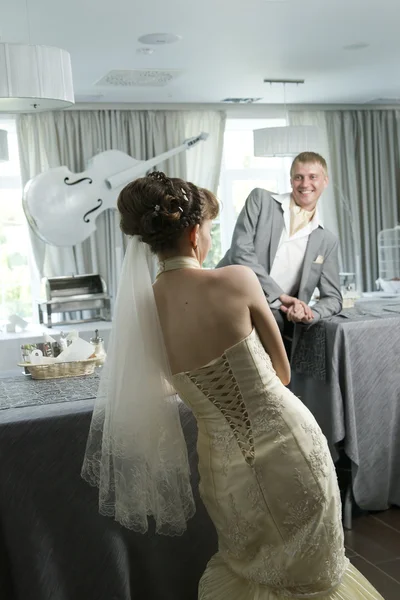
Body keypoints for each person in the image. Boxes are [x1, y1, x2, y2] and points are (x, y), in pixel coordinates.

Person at [82, 172, 382, 600]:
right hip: (289, 446)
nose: (207, 239)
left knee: (250, 573)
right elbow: (282, 372)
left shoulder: (143, 310)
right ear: (192, 233)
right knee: (315, 579)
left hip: (223, 471)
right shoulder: (238, 279)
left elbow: (167, 382)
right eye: (206, 230)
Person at [217, 152, 342, 355]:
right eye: (298, 177)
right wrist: (281, 296)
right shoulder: (260, 200)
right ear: (291, 180)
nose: (305, 183)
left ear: (325, 181)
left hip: (277, 321)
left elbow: (334, 298)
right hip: (229, 301)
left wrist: (309, 312)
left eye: (313, 177)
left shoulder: (328, 241)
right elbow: (241, 254)